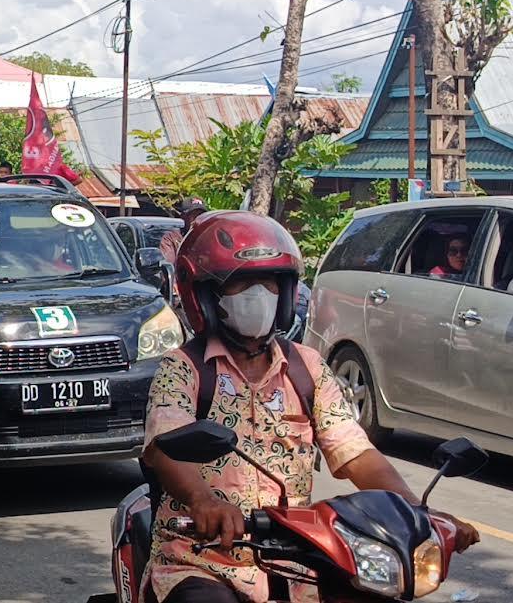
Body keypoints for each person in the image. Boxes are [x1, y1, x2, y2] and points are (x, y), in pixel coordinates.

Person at [141, 211, 479, 603]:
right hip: (202, 557)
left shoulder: (308, 367)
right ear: (206, 295)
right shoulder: (184, 367)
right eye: (241, 284)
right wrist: (204, 501)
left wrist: (416, 512)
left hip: (298, 558)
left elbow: (354, 452)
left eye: (268, 283)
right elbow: (165, 445)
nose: (258, 295)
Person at [158, 197, 208, 266]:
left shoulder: (209, 238)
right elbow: (169, 267)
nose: (197, 219)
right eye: (193, 215)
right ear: (184, 217)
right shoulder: (171, 239)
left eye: (201, 215)